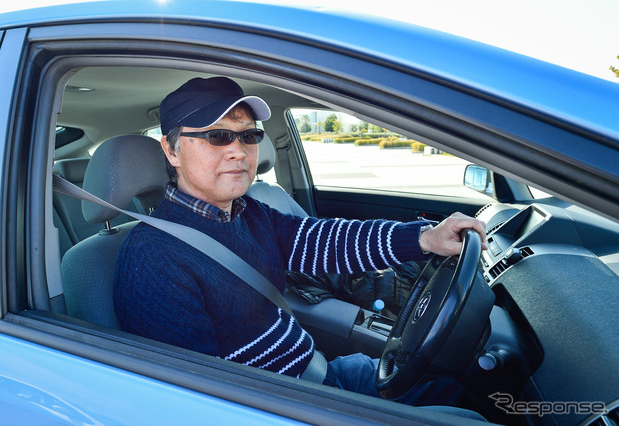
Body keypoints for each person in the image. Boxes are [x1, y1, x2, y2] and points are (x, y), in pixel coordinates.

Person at [113, 77, 488, 408]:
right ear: (172, 150)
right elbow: (200, 399)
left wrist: (424, 237)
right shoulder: (153, 259)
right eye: (218, 135)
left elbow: (328, 240)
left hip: (318, 373)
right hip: (285, 405)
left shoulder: (249, 212)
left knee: (458, 390)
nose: (239, 151)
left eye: (248, 135)